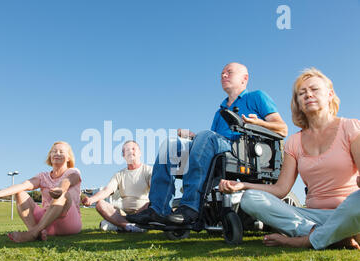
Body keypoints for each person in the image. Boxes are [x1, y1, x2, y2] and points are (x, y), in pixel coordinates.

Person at [127, 62, 288, 226]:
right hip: (217, 147)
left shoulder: (257, 97)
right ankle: (158, 209)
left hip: (242, 150)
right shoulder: (220, 111)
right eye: (222, 73)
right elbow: (209, 142)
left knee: (205, 136)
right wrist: (193, 137)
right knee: (171, 145)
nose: (223, 75)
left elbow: (282, 129)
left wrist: (258, 123)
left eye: (229, 72)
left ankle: (190, 207)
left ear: (244, 78)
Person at [219, 68, 360, 250]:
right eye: (302, 93)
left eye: (314, 89)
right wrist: (243, 186)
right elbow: (280, 189)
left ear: (330, 94)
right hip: (311, 216)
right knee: (249, 199)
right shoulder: (294, 141)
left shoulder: (351, 127)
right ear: (298, 103)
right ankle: (328, 234)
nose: (308, 95)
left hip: (347, 211)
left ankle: (305, 240)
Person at [0, 141, 82, 243]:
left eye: (61, 152)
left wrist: (60, 189)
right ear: (50, 156)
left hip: (68, 222)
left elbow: (67, 181)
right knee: (20, 192)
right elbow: (23, 185)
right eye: (54, 151)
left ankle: (33, 233)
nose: (57, 154)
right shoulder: (43, 176)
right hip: (46, 221)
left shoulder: (73, 172)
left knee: (63, 194)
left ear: (69, 157)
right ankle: (36, 231)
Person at [82, 140, 152, 233]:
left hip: (142, 211)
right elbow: (107, 190)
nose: (130, 151)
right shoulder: (119, 174)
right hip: (124, 214)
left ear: (140, 153)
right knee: (100, 204)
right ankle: (129, 226)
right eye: (127, 150)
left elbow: (156, 189)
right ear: (124, 156)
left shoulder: (149, 170)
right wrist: (91, 199)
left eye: (133, 149)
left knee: (151, 204)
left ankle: (121, 226)